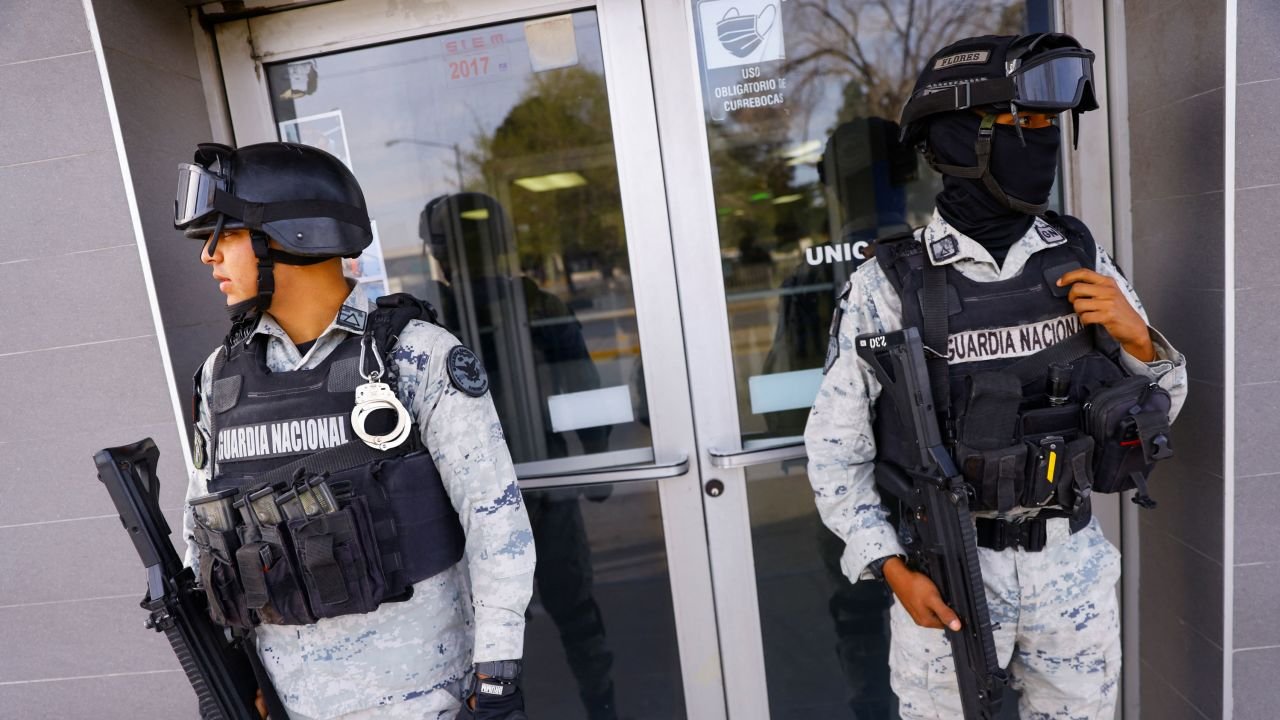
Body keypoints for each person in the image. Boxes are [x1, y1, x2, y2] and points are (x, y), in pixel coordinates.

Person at [804, 33, 1188, 719]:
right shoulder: (887, 283)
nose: (1040, 142)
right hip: (950, 574)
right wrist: (893, 571)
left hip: (1071, 572)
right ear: (956, 139)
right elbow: (837, 458)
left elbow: (1158, 414)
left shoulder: (1080, 254)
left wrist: (1139, 341)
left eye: (1047, 125)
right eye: (1023, 123)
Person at [174, 141, 535, 720]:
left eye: (228, 235)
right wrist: (240, 676)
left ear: (293, 235)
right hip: (292, 701)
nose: (209, 257)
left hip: (423, 699)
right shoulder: (221, 377)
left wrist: (495, 679)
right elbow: (205, 536)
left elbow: (498, 529)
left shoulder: (414, 357)